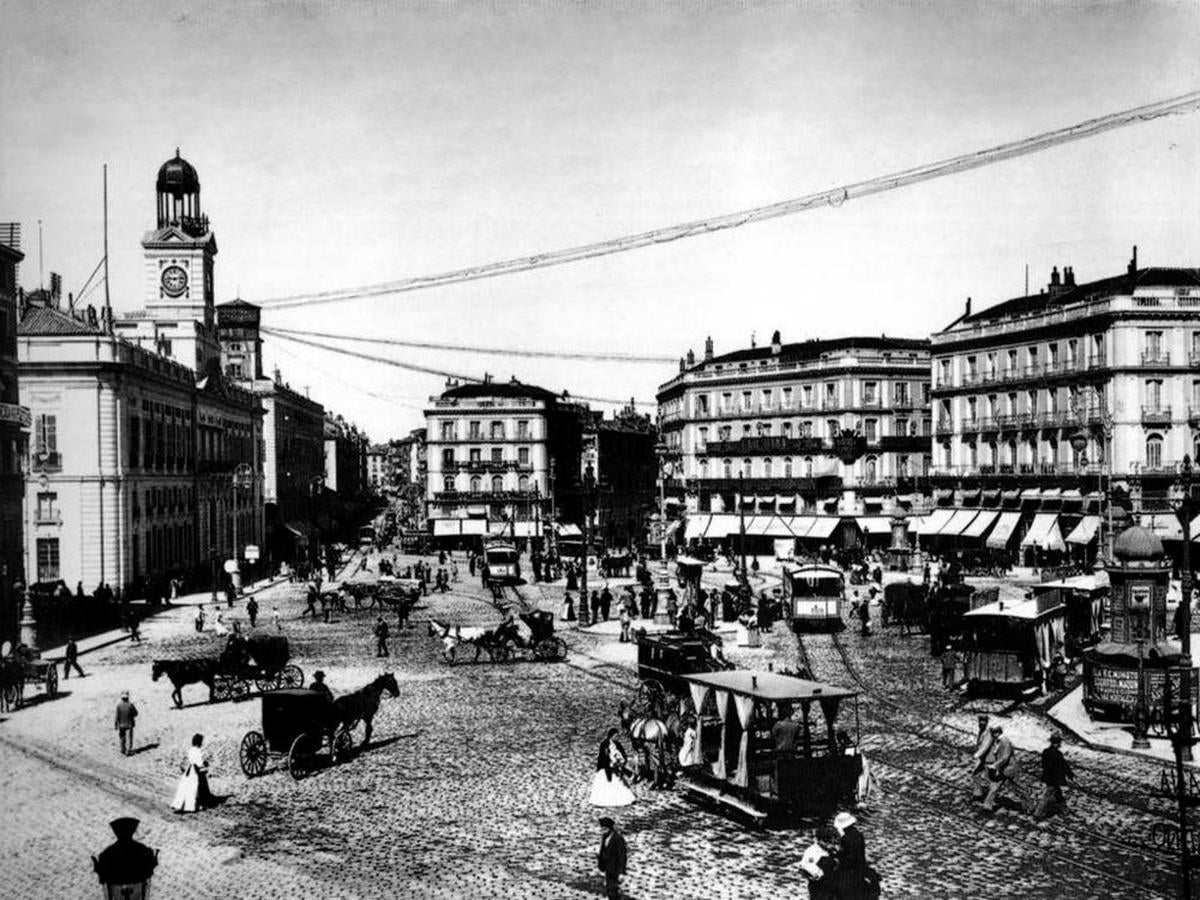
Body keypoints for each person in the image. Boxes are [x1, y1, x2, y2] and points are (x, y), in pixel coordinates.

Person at [589, 728, 636, 807]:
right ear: (611, 736)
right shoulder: (604, 744)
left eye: (617, 736)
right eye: (616, 736)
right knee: (608, 783)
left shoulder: (618, 744)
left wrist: (621, 761)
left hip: (616, 768)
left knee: (620, 783)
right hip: (606, 768)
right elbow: (602, 757)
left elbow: (623, 753)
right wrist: (609, 763)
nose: (617, 738)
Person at [1035, 732, 1075, 819]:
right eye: (1060, 742)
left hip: (1048, 777)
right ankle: (1038, 813)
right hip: (1054, 779)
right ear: (1058, 743)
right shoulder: (1057, 754)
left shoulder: (1045, 752)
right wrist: (1070, 774)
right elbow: (1064, 765)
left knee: (1058, 794)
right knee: (1047, 796)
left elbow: (1044, 765)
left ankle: (1064, 809)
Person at [171, 733, 214, 813]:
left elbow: (192, 760)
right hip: (196, 770)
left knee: (185, 787)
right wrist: (205, 764)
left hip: (189, 770)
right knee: (195, 788)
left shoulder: (191, 749)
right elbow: (199, 763)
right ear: (199, 742)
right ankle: (193, 806)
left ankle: (180, 804)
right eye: (201, 742)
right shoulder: (198, 751)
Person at [800, 826, 841, 900]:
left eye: (834, 843)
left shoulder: (829, 850)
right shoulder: (812, 852)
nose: (832, 845)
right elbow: (805, 867)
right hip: (819, 887)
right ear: (820, 840)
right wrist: (817, 873)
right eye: (829, 843)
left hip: (831, 885)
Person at [981, 723, 1015, 812]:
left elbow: (1005, 757)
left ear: (998, 732)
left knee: (1019, 787)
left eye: (994, 733)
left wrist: (995, 765)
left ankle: (1031, 805)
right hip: (1002, 768)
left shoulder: (1005, 741)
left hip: (1008, 768)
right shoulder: (998, 741)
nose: (993, 735)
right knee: (995, 785)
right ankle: (987, 805)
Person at [596, 816, 628, 900]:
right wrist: (600, 866)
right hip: (608, 869)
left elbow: (622, 856)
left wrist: (621, 872)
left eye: (604, 829)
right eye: (602, 828)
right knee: (610, 891)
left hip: (615, 870)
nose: (603, 831)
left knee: (613, 892)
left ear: (610, 828)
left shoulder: (618, 839)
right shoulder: (605, 837)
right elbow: (602, 852)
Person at [970, 715, 994, 801]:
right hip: (983, 758)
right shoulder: (981, 731)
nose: (981, 723)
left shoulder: (988, 732)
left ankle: (988, 798)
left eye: (983, 721)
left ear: (986, 722)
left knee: (989, 779)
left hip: (989, 759)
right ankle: (978, 794)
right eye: (980, 721)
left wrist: (976, 755)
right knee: (976, 774)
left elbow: (985, 746)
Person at [114, 691, 138, 756]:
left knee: (122, 738)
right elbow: (136, 714)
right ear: (127, 697)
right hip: (129, 724)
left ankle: (122, 749)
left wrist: (116, 724)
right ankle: (128, 751)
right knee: (129, 738)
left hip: (121, 725)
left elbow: (116, 716)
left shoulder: (119, 705)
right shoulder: (130, 705)